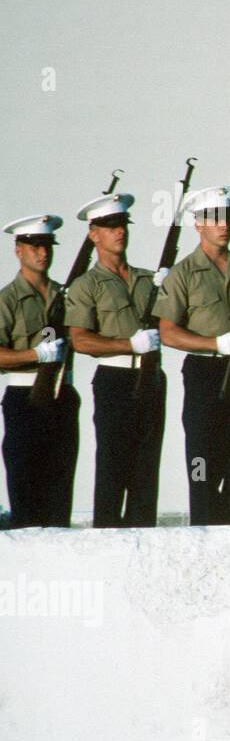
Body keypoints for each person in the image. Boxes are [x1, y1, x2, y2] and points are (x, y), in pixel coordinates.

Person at [155, 185, 230, 525]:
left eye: (227, 217)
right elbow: (168, 332)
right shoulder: (183, 274)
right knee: (201, 458)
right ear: (198, 224)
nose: (223, 225)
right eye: (214, 218)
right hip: (204, 373)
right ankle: (202, 523)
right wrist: (215, 345)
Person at [65, 192, 167, 528]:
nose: (119, 231)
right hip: (115, 381)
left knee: (147, 468)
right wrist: (128, 345)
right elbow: (80, 340)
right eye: (110, 226)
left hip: (152, 378)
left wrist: (172, 285)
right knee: (112, 465)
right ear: (93, 234)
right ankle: (107, 539)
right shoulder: (86, 286)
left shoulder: (147, 279)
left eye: (122, 224)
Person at [0, 214, 79, 527]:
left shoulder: (66, 295)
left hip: (62, 394)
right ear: (18, 249)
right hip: (24, 399)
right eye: (34, 246)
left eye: (47, 245)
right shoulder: (7, 299)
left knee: (60, 490)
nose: (43, 252)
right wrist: (34, 353)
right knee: (26, 489)